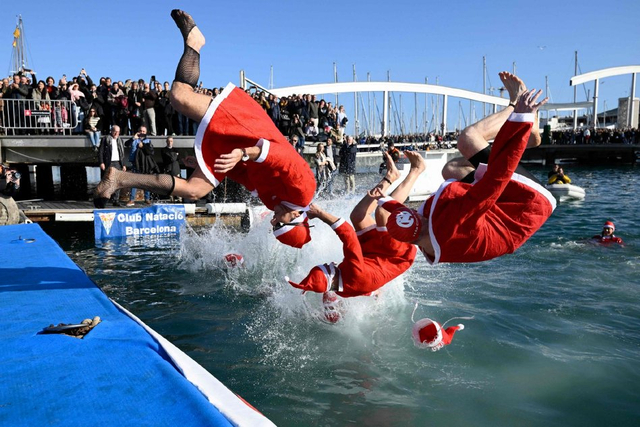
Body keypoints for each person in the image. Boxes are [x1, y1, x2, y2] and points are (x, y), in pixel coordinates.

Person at [94, 9, 316, 248]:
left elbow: (248, 176)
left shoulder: (275, 204)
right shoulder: (304, 191)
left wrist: (212, 164)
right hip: (250, 130)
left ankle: (120, 178)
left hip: (238, 151)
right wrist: (243, 153)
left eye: (274, 225)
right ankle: (195, 42)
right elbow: (282, 155)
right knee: (179, 97)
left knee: (194, 190)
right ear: (296, 216)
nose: (273, 219)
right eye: (279, 223)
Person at [371, 73, 556, 265]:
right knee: (468, 139)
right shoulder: (453, 223)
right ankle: (514, 106)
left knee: (452, 169)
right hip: (527, 204)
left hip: (501, 216)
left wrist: (385, 200)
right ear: (420, 231)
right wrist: (521, 119)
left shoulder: (425, 239)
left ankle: (527, 137)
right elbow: (496, 178)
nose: (420, 215)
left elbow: (404, 217)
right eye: (421, 218)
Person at [286, 151, 423, 322]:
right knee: (383, 211)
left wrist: (375, 292)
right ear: (331, 276)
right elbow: (347, 233)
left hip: (374, 255)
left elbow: (363, 289)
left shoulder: (344, 290)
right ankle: (417, 169)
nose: (330, 264)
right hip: (396, 256)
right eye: (327, 267)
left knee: (358, 216)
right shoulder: (353, 271)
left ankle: (390, 176)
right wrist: (320, 214)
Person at [126, 126, 157, 206]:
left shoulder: (148, 141)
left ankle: (147, 198)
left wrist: (143, 146)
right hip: (135, 163)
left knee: (146, 182)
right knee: (134, 182)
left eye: (143, 131)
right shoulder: (134, 139)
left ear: (145, 132)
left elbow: (151, 152)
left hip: (144, 164)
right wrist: (133, 138)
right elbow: (126, 144)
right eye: (140, 131)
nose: (142, 132)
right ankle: (132, 199)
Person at [97, 125, 126, 206]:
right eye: (115, 131)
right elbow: (100, 151)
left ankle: (115, 200)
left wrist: (123, 164)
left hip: (118, 163)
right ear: (111, 131)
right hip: (108, 163)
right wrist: (101, 162)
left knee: (117, 182)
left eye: (118, 132)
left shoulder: (120, 140)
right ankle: (103, 200)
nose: (116, 133)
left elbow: (122, 154)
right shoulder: (105, 139)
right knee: (106, 182)